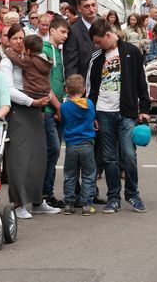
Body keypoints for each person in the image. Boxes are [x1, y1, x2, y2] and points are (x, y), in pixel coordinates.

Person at [88, 19, 151, 214]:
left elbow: (142, 81)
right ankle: (113, 197)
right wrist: (92, 114)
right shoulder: (96, 58)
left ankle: (133, 194)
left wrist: (145, 108)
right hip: (103, 112)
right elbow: (91, 89)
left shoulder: (132, 51)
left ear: (108, 34)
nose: (97, 45)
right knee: (109, 158)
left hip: (127, 112)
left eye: (99, 41)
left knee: (129, 155)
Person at [0, 24, 58, 219]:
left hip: (36, 110)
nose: (17, 41)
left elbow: (43, 82)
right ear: (8, 40)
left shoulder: (32, 58)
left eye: (20, 38)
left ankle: (37, 200)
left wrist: (51, 102)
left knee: (38, 156)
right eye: (13, 38)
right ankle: (18, 204)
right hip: (18, 111)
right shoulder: (7, 62)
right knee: (19, 159)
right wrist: (32, 101)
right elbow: (8, 90)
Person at [41, 18, 70, 208]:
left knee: (54, 151)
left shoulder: (60, 52)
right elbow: (44, 83)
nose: (65, 36)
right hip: (48, 109)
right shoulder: (44, 50)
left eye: (67, 33)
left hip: (58, 107)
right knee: (51, 150)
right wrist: (58, 106)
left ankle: (47, 193)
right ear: (52, 31)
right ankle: (43, 193)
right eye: (62, 32)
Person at [61, 74, 97, 216]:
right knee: (89, 174)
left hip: (71, 145)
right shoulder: (89, 104)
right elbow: (93, 117)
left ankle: (69, 204)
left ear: (67, 90)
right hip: (87, 144)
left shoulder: (65, 106)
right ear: (83, 89)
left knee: (70, 174)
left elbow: (63, 120)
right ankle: (87, 204)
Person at [64, 0, 100, 79]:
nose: (91, 9)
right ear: (79, 8)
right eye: (87, 6)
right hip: (84, 87)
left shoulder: (104, 27)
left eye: (93, 5)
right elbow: (71, 66)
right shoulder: (73, 32)